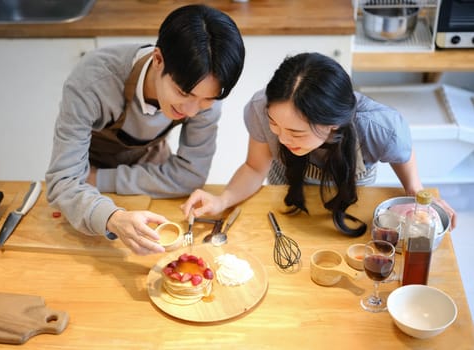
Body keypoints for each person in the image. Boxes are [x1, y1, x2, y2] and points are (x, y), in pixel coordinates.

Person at [181, 52, 457, 236]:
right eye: (274, 125)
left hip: (350, 205)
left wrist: (418, 197)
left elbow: (408, 170)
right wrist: (222, 199)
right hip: (287, 198)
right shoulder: (259, 107)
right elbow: (255, 168)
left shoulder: (380, 127)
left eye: (296, 133)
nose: (283, 139)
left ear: (332, 124)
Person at [45, 4, 245, 254]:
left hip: (132, 174)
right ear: (158, 60)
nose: (194, 111)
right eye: (184, 93)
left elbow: (190, 177)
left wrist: (101, 178)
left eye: (207, 99)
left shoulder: (206, 98)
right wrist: (113, 217)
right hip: (86, 191)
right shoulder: (93, 82)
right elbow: (62, 182)